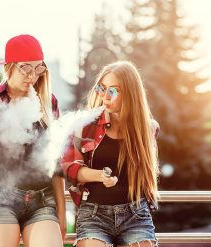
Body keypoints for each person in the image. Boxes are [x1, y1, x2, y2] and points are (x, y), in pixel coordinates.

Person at [0, 34, 66, 247]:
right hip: (0, 197)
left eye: (38, 68)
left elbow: (56, 163)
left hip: (42, 199)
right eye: (25, 68)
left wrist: (62, 213)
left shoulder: (49, 102)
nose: (32, 76)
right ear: (9, 67)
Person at [61, 61, 160, 247]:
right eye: (101, 88)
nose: (105, 96)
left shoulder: (148, 129)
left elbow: (147, 174)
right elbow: (69, 168)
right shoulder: (84, 125)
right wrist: (100, 176)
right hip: (93, 214)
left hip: (135, 214)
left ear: (130, 94)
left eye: (113, 91)